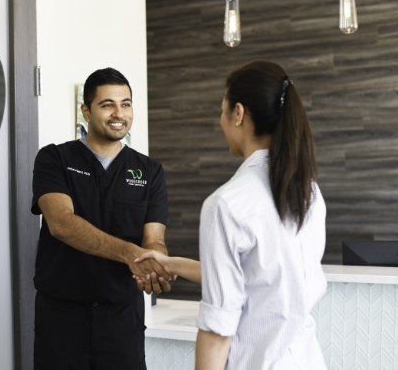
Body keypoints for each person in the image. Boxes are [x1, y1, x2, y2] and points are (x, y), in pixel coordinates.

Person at [136, 61, 327, 370]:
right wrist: (171, 264)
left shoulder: (226, 204)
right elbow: (258, 278)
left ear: (238, 114)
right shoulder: (309, 194)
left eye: (222, 111)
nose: (220, 121)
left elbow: (218, 329)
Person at [31, 67, 173, 369]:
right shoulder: (55, 159)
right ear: (86, 110)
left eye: (126, 103)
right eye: (107, 104)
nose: (118, 113)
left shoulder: (149, 171)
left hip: (121, 320)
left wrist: (156, 264)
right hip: (62, 320)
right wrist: (131, 254)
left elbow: (154, 239)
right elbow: (62, 224)